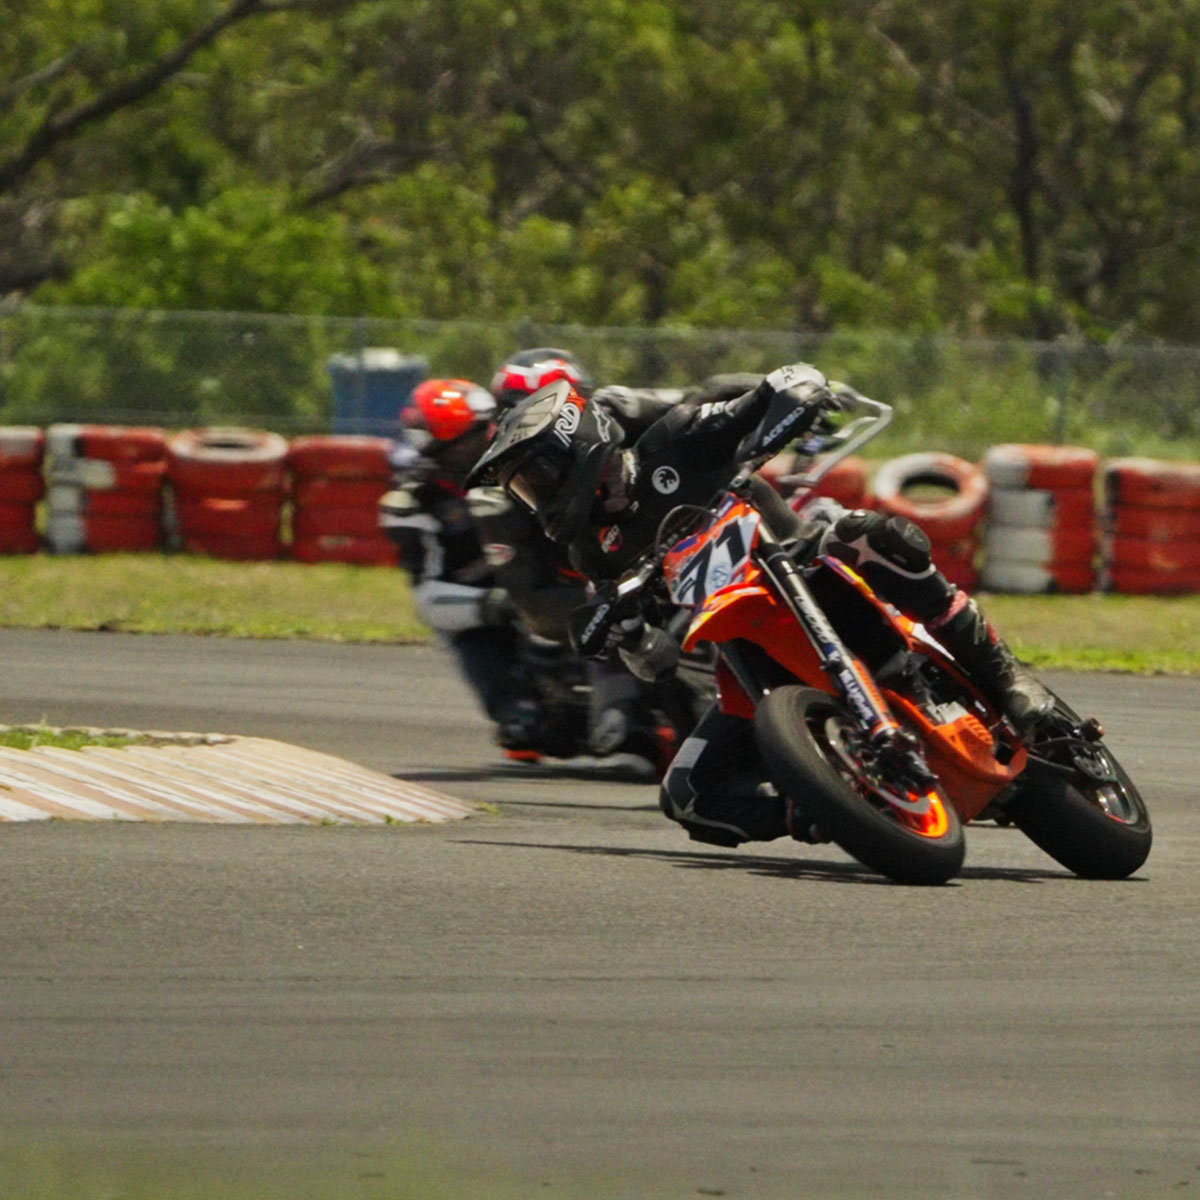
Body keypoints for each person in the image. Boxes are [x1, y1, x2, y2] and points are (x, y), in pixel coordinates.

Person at [464, 363, 1055, 848]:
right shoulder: (592, 548)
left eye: (535, 478)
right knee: (688, 795)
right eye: (522, 488)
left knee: (872, 535)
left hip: (804, 564)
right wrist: (629, 637)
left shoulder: (676, 438)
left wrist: (791, 400)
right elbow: (650, 657)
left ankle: (1007, 679)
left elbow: (779, 388)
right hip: (742, 642)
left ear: (577, 448)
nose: (533, 497)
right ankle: (826, 808)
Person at [378, 377, 551, 757]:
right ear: (437, 449)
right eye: (468, 441)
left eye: (485, 430)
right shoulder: (417, 503)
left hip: (549, 576)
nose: (483, 445)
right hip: (489, 598)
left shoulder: (528, 464)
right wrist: (496, 604)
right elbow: (428, 600)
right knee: (469, 631)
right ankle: (515, 708)